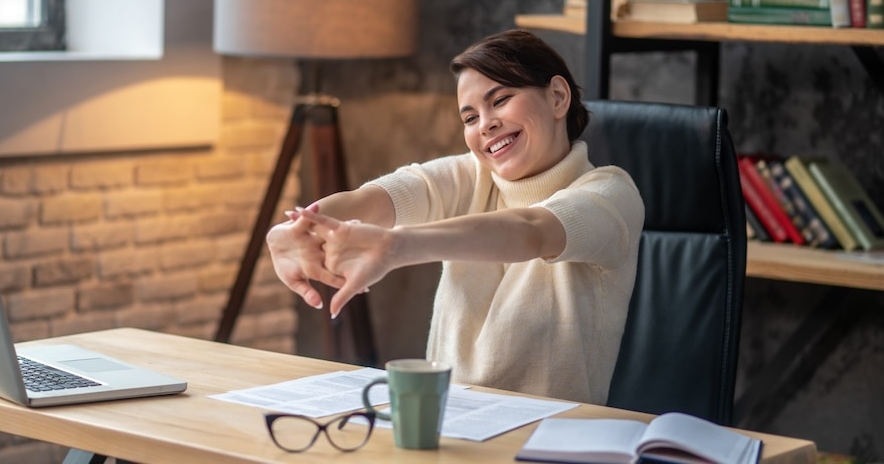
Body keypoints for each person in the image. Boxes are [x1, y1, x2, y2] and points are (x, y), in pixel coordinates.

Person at [266, 29, 644, 404]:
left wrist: (396, 246)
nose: (485, 124)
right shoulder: (470, 175)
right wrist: (297, 228)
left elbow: (530, 230)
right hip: (449, 421)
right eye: (469, 118)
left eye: (501, 100)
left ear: (558, 97)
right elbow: (373, 200)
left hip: (549, 437)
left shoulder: (609, 195)